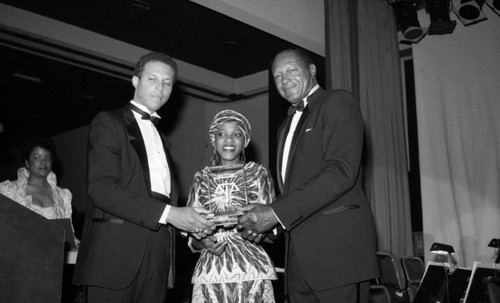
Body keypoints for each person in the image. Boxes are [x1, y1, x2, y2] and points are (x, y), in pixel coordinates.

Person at [237, 49, 378, 303]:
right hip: (299, 261)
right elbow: (292, 193)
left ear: (312, 70)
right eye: (277, 75)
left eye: (291, 70)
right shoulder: (284, 127)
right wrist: (270, 225)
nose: (284, 79)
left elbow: (340, 172)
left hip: (338, 255)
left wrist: (274, 213)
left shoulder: (337, 101)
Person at [73, 51, 214, 303]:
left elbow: (159, 199)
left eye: (167, 83)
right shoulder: (108, 122)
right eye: (152, 79)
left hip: (157, 258)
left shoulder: (163, 140)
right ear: (135, 81)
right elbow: (101, 189)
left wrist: (193, 226)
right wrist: (172, 214)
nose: (160, 88)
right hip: (114, 256)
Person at [186, 109, 277, 302]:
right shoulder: (200, 179)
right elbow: (191, 237)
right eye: (221, 134)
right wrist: (204, 242)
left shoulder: (259, 174)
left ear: (246, 140)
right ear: (213, 139)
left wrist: (259, 231)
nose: (228, 140)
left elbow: (273, 230)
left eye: (236, 134)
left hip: (252, 269)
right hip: (211, 271)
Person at [0, 137, 80, 246]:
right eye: (37, 158)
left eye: (47, 158)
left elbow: (69, 237)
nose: (43, 162)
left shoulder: (63, 196)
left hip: (54, 258)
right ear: (27, 162)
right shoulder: (9, 190)